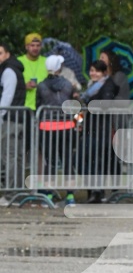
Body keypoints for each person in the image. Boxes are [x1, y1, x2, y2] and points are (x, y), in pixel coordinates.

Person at [36, 55, 76, 207]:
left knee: (50, 162)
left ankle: (49, 196)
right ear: (59, 67)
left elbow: (38, 105)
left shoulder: (41, 86)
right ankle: (70, 196)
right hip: (66, 127)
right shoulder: (68, 85)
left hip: (47, 127)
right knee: (67, 161)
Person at [79, 59, 119, 203]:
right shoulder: (91, 87)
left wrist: (91, 105)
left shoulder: (108, 86)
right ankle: (94, 191)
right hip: (92, 127)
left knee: (99, 160)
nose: (92, 73)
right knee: (90, 159)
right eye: (91, 70)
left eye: (96, 71)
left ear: (103, 73)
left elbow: (105, 104)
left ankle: (98, 191)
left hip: (103, 127)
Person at [0, 42, 27, 206]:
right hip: (16, 118)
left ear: (7, 54)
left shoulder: (9, 71)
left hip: (11, 118)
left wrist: (0, 114)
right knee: (14, 156)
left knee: (10, 156)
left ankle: (11, 194)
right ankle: (15, 192)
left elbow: (7, 97)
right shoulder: (13, 68)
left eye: (0, 53)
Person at [18, 33, 48, 111]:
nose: (35, 48)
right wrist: (24, 86)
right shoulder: (18, 61)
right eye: (32, 45)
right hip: (24, 106)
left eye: (38, 45)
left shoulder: (47, 62)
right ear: (26, 47)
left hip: (42, 107)